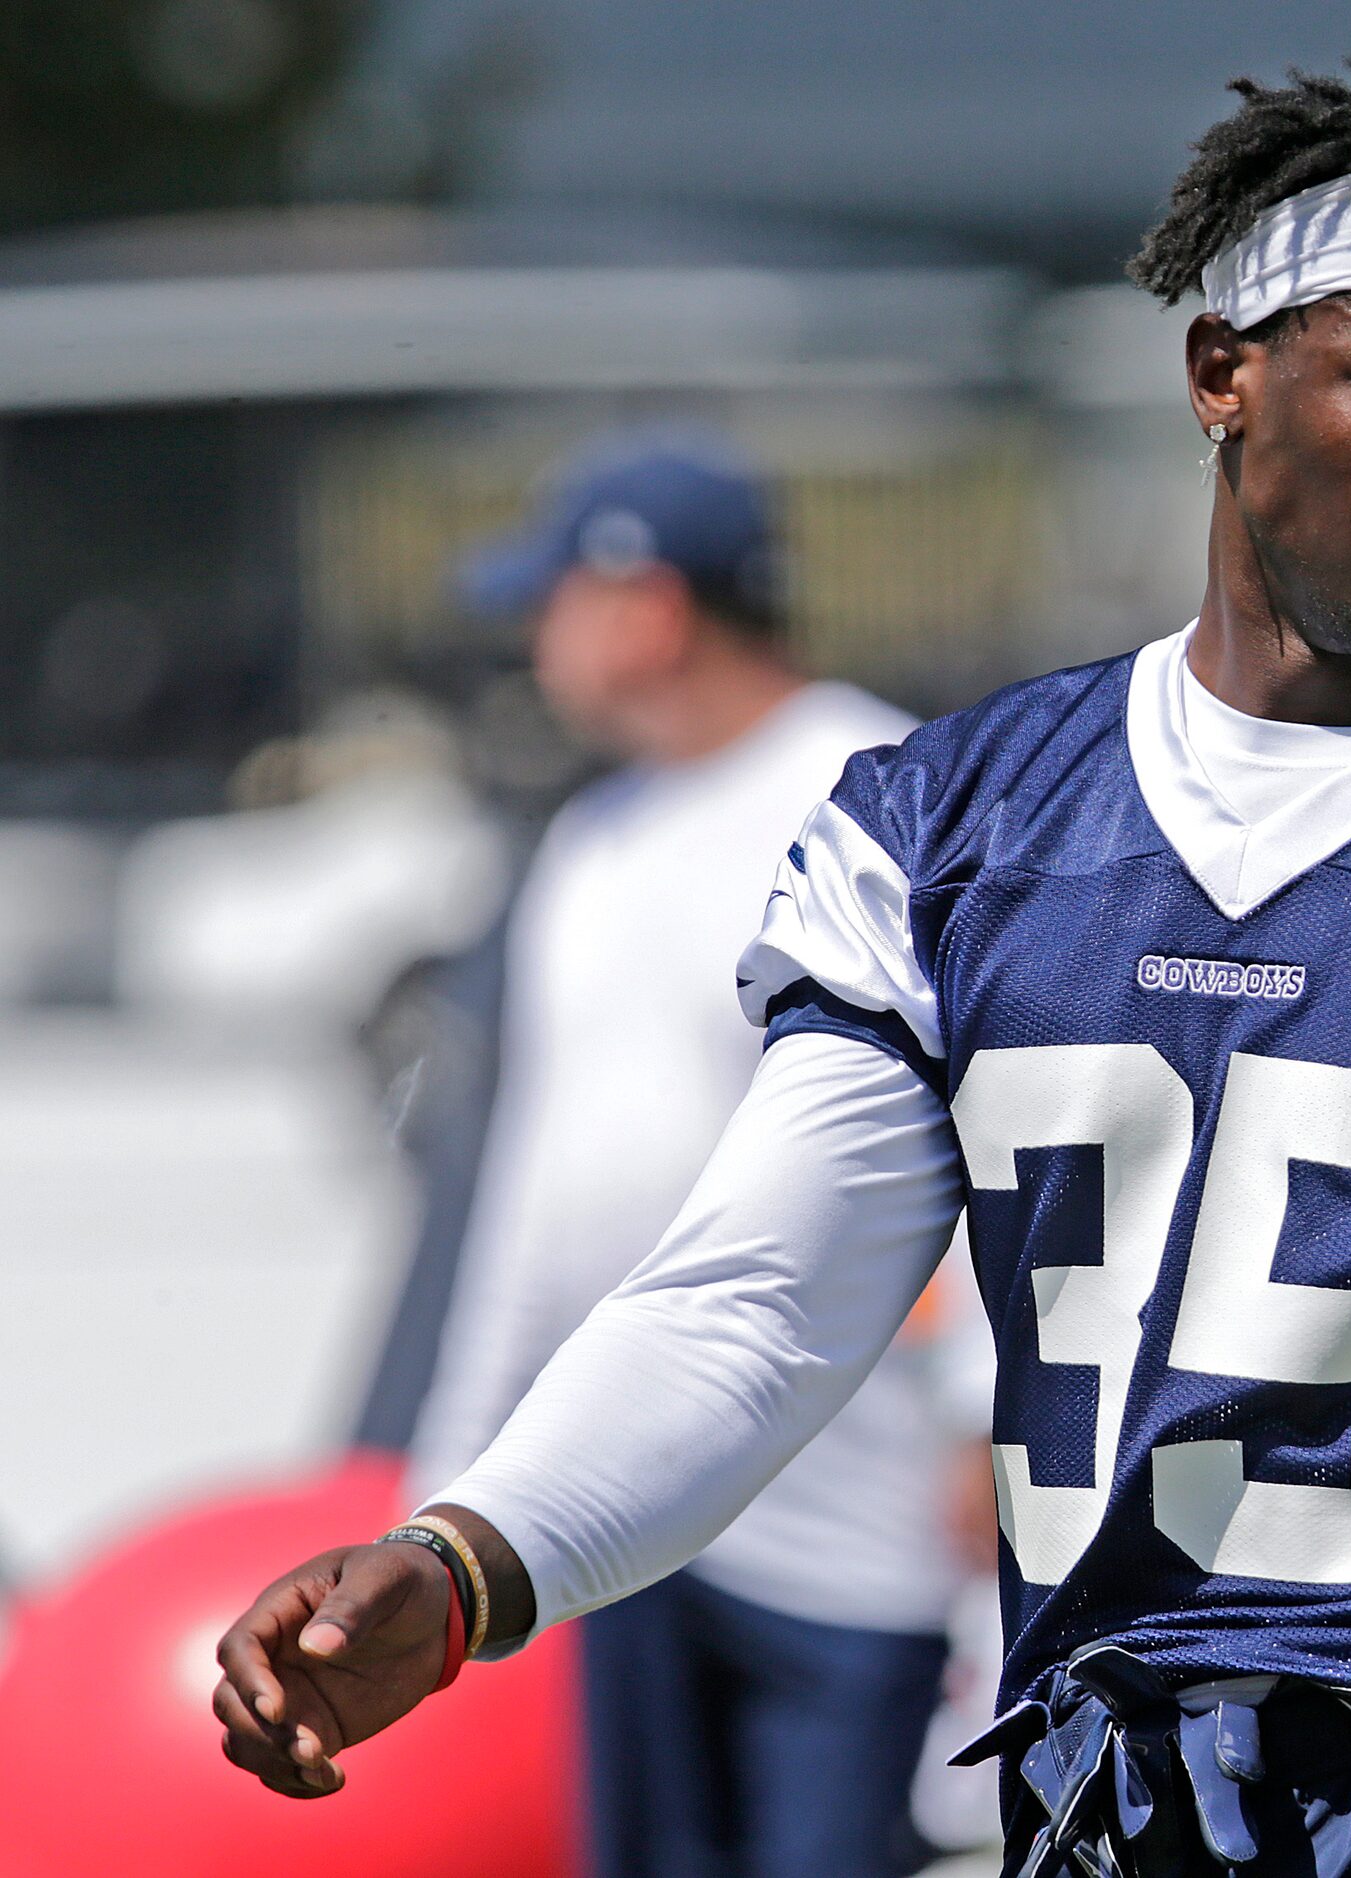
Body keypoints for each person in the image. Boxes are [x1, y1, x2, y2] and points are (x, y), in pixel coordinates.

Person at [213, 57, 1351, 1878]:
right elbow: (755, 1306)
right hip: (1109, 1816)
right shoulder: (961, 825)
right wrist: (468, 1561)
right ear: (1222, 374)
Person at [404, 430, 975, 1878]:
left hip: (854, 1506)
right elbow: (533, 1194)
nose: (534, 641)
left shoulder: (879, 787)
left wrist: (980, 1418)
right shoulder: (591, 841)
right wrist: (453, 1483)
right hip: (622, 1486)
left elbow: (976, 1129)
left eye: (553, 603)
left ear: (646, 607)